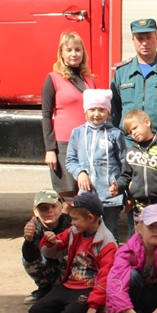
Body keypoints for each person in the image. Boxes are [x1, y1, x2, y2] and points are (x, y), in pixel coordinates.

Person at [28, 193, 117, 313]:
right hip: (69, 284)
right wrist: (50, 240)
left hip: (89, 288)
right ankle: (69, 307)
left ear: (90, 218)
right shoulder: (74, 231)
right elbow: (52, 252)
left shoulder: (107, 242)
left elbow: (106, 277)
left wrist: (94, 305)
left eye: (75, 219)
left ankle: (91, 310)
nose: (72, 222)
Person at [65, 89, 126, 242]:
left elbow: (124, 163)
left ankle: (112, 264)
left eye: (101, 109)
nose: (97, 113)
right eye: (92, 109)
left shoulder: (115, 134)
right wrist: (80, 173)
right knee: (87, 230)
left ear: (108, 111)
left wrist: (121, 187)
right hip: (86, 196)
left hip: (110, 195)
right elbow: (70, 160)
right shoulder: (77, 133)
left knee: (111, 231)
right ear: (86, 111)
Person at [41, 31, 96, 200]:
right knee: (68, 195)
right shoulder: (53, 79)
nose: (74, 54)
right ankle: (67, 227)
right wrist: (50, 149)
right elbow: (46, 115)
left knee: (87, 194)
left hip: (88, 143)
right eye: (69, 50)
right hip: (64, 145)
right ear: (61, 53)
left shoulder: (89, 80)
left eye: (78, 50)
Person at [109, 110, 157, 220]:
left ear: (147, 122)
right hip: (140, 205)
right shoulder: (131, 151)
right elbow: (126, 176)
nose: (133, 133)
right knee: (142, 235)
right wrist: (118, 186)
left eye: (135, 128)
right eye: (130, 132)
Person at [21, 189, 72, 304]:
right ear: (35, 211)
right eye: (43, 208)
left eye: (53, 206)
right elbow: (30, 258)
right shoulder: (34, 226)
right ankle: (45, 289)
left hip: (71, 273)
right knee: (27, 261)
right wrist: (29, 240)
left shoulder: (71, 223)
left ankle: (66, 289)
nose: (49, 211)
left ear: (61, 207)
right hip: (48, 268)